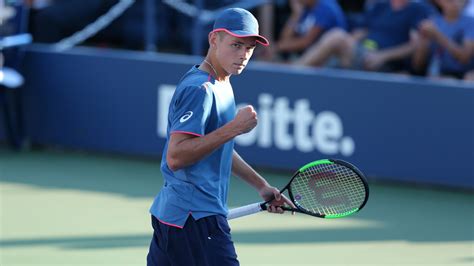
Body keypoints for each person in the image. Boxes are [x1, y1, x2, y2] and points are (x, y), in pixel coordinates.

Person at [146, 8, 294, 266]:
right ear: (214, 39)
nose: (243, 55)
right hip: (193, 219)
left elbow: (218, 147)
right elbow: (176, 157)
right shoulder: (200, 89)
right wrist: (234, 128)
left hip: (179, 216)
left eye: (249, 48)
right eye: (236, 45)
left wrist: (261, 186)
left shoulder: (222, 82)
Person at [296, 0, 431, 72]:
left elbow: (415, 45)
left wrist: (383, 56)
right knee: (336, 43)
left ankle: (291, 73)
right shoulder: (380, 6)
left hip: (387, 63)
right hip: (363, 53)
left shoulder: (417, 9)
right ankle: (294, 72)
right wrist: (350, 43)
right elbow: (362, 31)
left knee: (336, 37)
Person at [264, 0, 347, 61]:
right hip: (306, 57)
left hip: (330, 60)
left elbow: (306, 42)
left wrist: (276, 47)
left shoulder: (325, 6)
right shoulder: (305, 9)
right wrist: (295, 14)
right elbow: (285, 39)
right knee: (266, 60)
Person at [412, 0, 474, 80]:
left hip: (460, 76)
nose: (455, 2)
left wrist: (437, 35)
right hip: (435, 75)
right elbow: (417, 65)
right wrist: (422, 42)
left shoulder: (470, 22)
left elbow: (465, 58)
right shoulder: (432, 21)